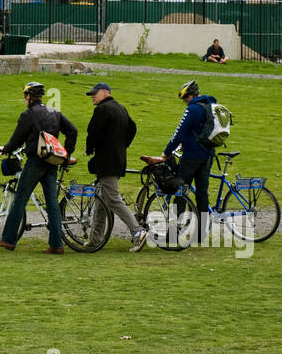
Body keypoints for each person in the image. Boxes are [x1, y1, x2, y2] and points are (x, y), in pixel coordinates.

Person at [0, 82, 77, 254]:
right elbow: (73, 131)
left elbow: (17, 139)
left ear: (29, 97)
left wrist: (5, 149)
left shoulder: (29, 114)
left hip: (35, 161)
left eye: (25, 96)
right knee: (52, 203)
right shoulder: (54, 112)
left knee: (20, 199)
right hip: (52, 161)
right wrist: (66, 154)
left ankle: (8, 239)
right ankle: (56, 244)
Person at [143, 79, 218, 244]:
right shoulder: (210, 106)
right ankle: (202, 233)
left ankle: (174, 232)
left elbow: (179, 133)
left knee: (180, 190)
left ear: (190, 96)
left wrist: (166, 152)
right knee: (202, 193)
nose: (184, 102)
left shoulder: (192, 109)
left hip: (191, 156)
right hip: (208, 155)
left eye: (184, 99)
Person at [83, 82, 147, 252]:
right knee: (102, 200)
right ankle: (95, 239)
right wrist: (122, 145)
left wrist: (89, 149)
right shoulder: (121, 108)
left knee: (112, 199)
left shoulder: (102, 110)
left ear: (105, 93)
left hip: (107, 161)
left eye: (94, 94)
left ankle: (138, 233)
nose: (92, 97)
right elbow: (132, 128)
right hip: (117, 159)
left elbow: (93, 133)